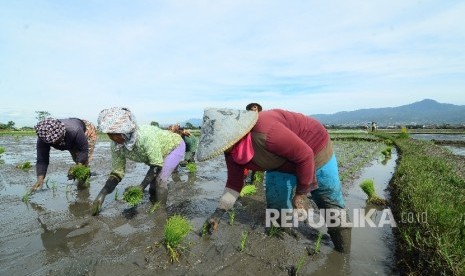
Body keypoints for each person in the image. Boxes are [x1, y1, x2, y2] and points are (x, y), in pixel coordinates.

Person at [197, 108, 351, 253]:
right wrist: (217, 214)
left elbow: (305, 155)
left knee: (330, 204)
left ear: (234, 133)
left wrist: (301, 194)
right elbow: (234, 185)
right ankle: (282, 232)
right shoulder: (231, 152)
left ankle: (342, 252)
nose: (223, 148)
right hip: (280, 164)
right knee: (276, 205)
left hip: (315, 151)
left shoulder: (266, 131)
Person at [92, 107, 185, 216]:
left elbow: (156, 165)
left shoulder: (145, 137)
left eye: (116, 134)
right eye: (110, 134)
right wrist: (102, 194)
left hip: (174, 147)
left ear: (125, 129)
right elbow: (117, 172)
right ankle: (154, 203)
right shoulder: (116, 146)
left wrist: (140, 187)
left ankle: (161, 212)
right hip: (156, 156)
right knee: (152, 189)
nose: (114, 138)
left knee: (160, 180)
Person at [31, 118, 97, 192]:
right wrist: (40, 179)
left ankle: (83, 186)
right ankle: (83, 172)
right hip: (70, 138)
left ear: (62, 132)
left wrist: (78, 167)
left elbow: (83, 150)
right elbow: (42, 159)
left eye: (56, 140)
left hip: (86, 130)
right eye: (51, 142)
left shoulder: (75, 131)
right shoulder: (44, 137)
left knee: (84, 160)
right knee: (76, 158)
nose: (55, 143)